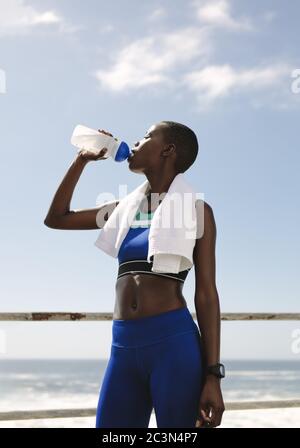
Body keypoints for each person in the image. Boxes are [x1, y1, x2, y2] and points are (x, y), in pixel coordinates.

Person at [44, 121, 225, 428]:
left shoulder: (196, 211)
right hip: (123, 346)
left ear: (168, 150)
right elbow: (57, 218)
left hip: (173, 344)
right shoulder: (124, 209)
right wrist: (81, 161)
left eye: (146, 137)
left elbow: (206, 293)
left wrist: (213, 375)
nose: (136, 143)